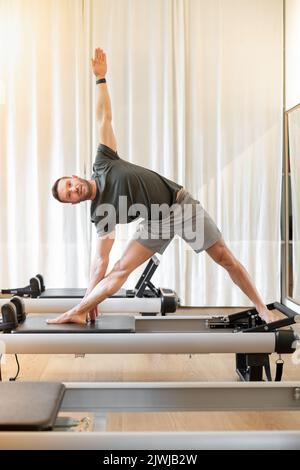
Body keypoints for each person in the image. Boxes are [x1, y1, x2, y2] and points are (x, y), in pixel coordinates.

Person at [48, 48, 274, 325]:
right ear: (73, 202)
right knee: (120, 269)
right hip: (155, 221)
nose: (73, 190)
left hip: (179, 206)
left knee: (224, 257)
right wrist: (88, 299)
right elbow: (101, 261)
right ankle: (77, 312)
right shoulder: (99, 212)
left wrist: (101, 79)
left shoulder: (103, 161)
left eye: (69, 184)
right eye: (68, 194)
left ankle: (262, 308)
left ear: (75, 176)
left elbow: (103, 118)